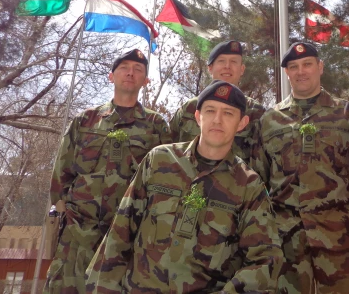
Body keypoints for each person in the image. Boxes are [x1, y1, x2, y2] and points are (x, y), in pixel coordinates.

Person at [86, 80, 283, 293]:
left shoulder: (248, 185)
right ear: (198, 117)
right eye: (210, 111)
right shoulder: (160, 160)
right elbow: (121, 231)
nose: (217, 120)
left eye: (228, 113)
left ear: (242, 123)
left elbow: (265, 260)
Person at [44, 49, 172, 294]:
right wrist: (65, 213)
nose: (130, 73)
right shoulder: (85, 121)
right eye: (124, 67)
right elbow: (62, 173)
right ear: (111, 75)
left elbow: (161, 181)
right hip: (79, 233)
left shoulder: (156, 126)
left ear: (146, 81)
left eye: (138, 70)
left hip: (126, 237)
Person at [253, 42, 349, 294]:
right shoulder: (270, 121)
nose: (301, 71)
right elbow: (258, 183)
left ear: (320, 67)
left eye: (307, 64)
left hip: (337, 235)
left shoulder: (346, 113)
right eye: (294, 67)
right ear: (287, 73)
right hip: (285, 239)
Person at [170, 40, 265, 166]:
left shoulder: (257, 113)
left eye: (233, 61)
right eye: (221, 61)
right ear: (210, 68)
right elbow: (170, 148)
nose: (227, 66)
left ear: (242, 69)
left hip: (239, 183)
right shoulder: (189, 108)